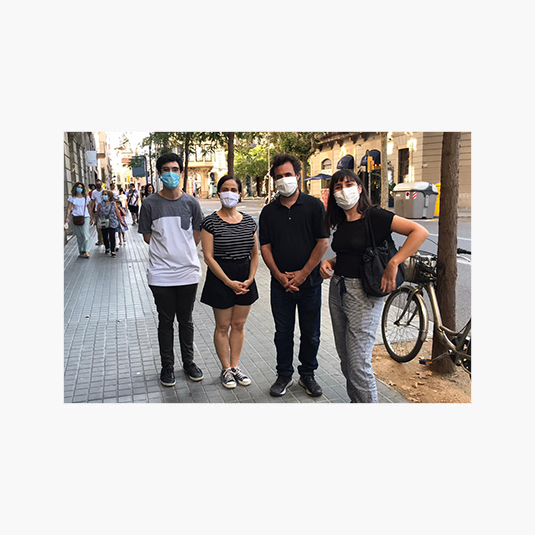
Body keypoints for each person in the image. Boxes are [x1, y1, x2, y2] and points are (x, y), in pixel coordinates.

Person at [319, 169, 429, 403]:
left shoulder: (374, 216)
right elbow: (352, 254)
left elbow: (419, 232)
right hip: (338, 289)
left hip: (364, 292)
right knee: (346, 358)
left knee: (358, 363)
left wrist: (394, 262)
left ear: (359, 188)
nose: (343, 190)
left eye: (349, 184)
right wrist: (330, 262)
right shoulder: (341, 221)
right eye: (338, 187)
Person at [259, 153, 329, 397]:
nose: (283, 180)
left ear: (298, 176)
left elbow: (323, 242)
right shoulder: (268, 212)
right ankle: (284, 375)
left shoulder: (314, 206)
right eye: (278, 176)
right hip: (280, 286)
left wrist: (303, 274)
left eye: (288, 175)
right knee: (283, 333)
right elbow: (265, 247)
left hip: (310, 284)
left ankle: (307, 374)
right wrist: (280, 276)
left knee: (311, 334)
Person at [138, 153, 204, 387]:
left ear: (181, 172)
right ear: (159, 173)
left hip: (188, 272)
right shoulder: (149, 204)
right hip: (161, 274)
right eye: (165, 169)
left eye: (175, 169)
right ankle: (167, 366)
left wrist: (182, 251)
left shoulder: (191, 203)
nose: (171, 173)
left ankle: (189, 363)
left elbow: (197, 234)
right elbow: (147, 236)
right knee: (165, 321)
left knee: (186, 320)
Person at [200, 175, 259, 389]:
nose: (229, 193)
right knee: (223, 326)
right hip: (220, 278)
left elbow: (255, 254)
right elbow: (208, 257)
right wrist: (228, 282)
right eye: (225, 189)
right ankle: (226, 369)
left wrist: (250, 278)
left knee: (239, 324)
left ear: (240, 194)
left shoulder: (249, 222)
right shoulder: (210, 222)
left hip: (245, 277)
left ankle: (235, 366)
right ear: (218, 193)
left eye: (234, 190)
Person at [65, 182, 91, 258]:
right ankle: (81, 250)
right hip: (76, 217)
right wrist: (67, 217)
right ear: (75, 188)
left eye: (81, 187)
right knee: (79, 235)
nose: (80, 188)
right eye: (78, 187)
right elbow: (69, 208)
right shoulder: (72, 198)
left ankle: (87, 250)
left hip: (85, 217)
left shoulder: (86, 197)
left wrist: (91, 217)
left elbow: (89, 207)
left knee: (86, 234)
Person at [94, 189, 122, 257]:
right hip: (103, 221)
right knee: (105, 235)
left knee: (112, 236)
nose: (104, 196)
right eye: (103, 194)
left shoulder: (113, 203)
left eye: (105, 194)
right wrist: (97, 221)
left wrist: (121, 221)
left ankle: (112, 250)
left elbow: (117, 213)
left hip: (112, 221)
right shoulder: (100, 204)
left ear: (109, 196)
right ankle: (107, 247)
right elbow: (97, 213)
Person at [89, 179, 105, 246]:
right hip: (96, 211)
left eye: (99, 184)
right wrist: (91, 212)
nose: (98, 185)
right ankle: (100, 240)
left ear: (101, 184)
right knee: (98, 227)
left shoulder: (104, 191)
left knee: (104, 226)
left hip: (104, 211)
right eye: (97, 184)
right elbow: (93, 202)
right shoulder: (94, 192)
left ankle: (104, 240)